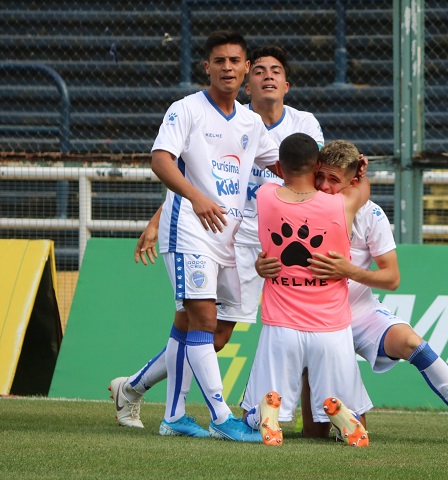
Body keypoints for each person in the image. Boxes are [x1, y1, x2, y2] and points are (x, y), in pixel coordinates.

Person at [108, 45, 324, 436]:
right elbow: (185, 171)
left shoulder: (295, 125)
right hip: (204, 231)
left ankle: (137, 389)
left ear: (287, 84)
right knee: (203, 325)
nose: (266, 76)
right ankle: (214, 416)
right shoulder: (198, 111)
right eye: (259, 69)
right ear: (247, 80)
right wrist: (159, 220)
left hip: (258, 240)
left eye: (275, 70)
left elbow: (300, 172)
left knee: (208, 333)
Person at [256, 143, 448, 447]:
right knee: (315, 436)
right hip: (316, 320)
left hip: (359, 314)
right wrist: (261, 264)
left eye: (334, 180)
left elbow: (392, 278)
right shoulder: (304, 204)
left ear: (353, 181)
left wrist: (349, 270)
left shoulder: (371, 215)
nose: (324, 185)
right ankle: (321, 418)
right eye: (320, 176)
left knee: (414, 344)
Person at [134, 30, 279, 442]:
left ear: (245, 68)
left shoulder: (251, 121)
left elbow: (280, 164)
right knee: (204, 320)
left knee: (189, 325)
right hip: (189, 232)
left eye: (235, 61)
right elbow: (160, 159)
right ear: (208, 67)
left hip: (227, 238)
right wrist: (196, 197)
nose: (228, 68)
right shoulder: (187, 109)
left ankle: (173, 415)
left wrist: (324, 179)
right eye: (220, 61)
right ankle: (219, 414)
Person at [239, 135, 371, 447]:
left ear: (281, 167)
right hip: (331, 327)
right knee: (353, 407)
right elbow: (361, 188)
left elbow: (278, 173)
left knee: (251, 412)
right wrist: (360, 170)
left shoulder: (266, 196)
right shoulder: (343, 202)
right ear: (317, 167)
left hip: (281, 326)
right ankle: (346, 420)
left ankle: (265, 417)